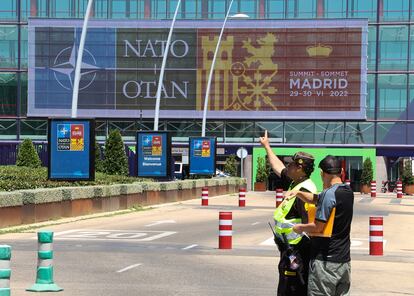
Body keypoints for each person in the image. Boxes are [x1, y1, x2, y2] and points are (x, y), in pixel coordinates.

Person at [286, 155, 354, 296]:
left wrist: (299, 228)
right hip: (344, 262)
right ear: (341, 171)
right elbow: (318, 199)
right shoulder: (347, 192)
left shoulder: (329, 194)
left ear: (322, 173)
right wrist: (299, 193)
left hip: (325, 263)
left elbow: (317, 227)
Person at [259, 130, 317, 296]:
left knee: (292, 290)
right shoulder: (296, 183)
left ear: (300, 168)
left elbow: (312, 228)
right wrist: (267, 147)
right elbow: (278, 168)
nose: (288, 167)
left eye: (291, 164)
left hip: (297, 254)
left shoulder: (304, 192)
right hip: (289, 251)